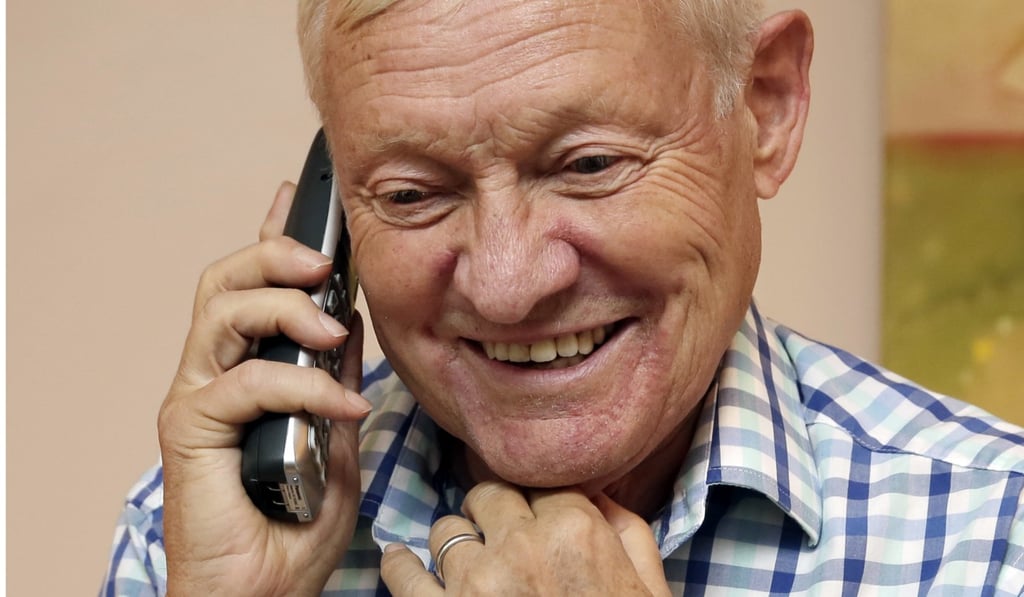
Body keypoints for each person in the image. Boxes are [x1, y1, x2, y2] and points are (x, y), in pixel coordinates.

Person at [102, 0, 1024, 595]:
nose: (505, 285)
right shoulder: (198, 539)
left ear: (766, 108)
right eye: (413, 193)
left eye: (587, 164)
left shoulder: (995, 541)